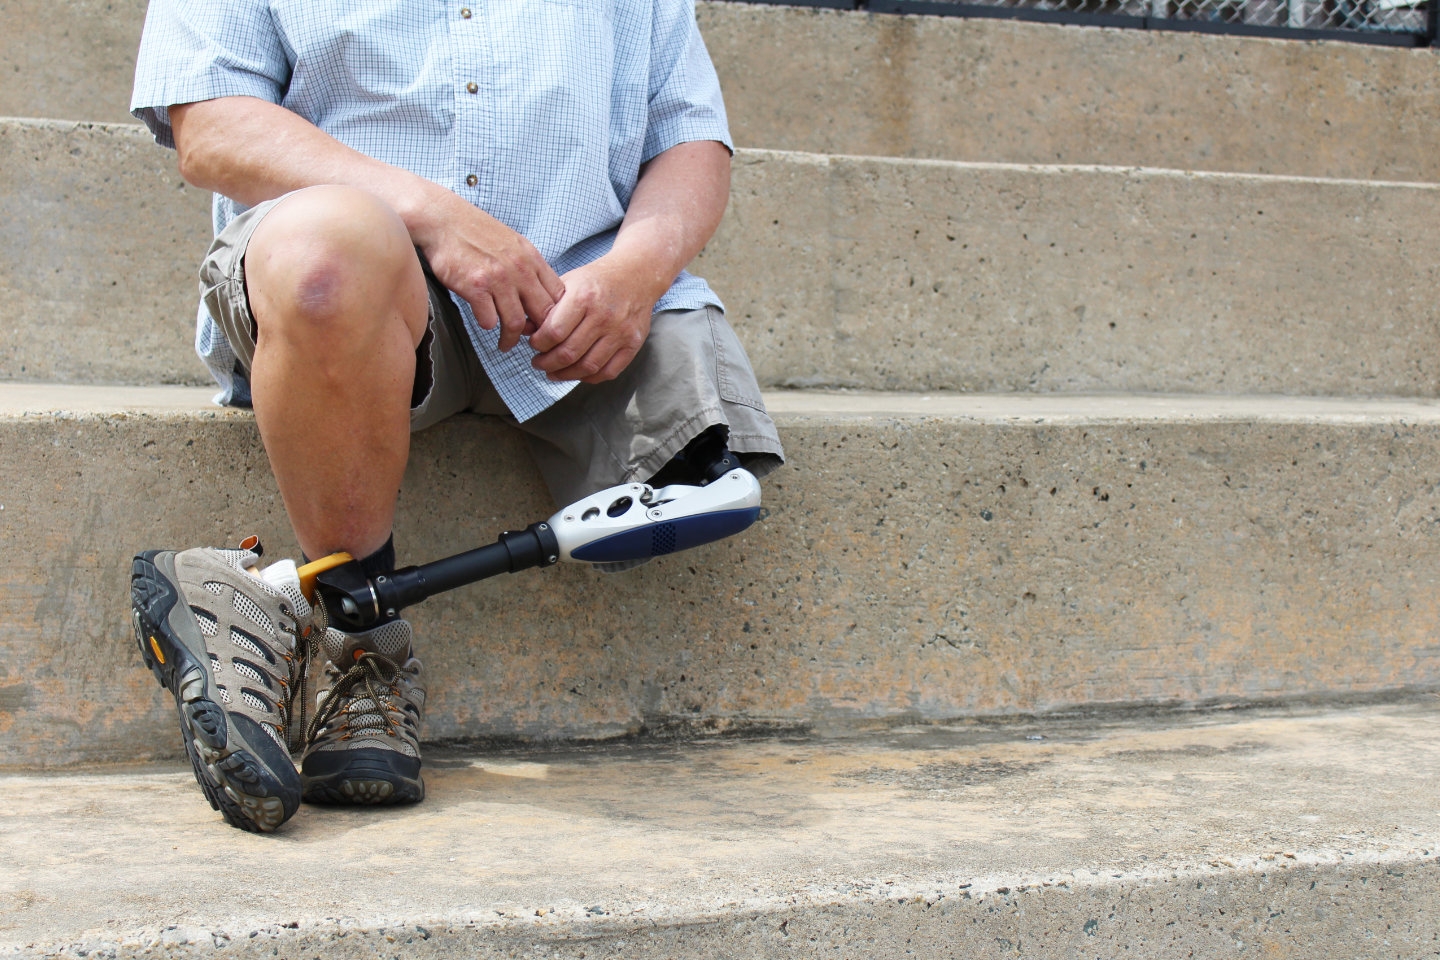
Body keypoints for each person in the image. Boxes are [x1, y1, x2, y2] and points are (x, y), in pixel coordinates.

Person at [127, 0, 784, 833]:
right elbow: (213, 129)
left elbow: (690, 139)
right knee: (326, 258)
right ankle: (362, 646)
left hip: (582, 296)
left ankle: (254, 602)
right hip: (362, 284)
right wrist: (435, 217)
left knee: (711, 487)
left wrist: (639, 274)